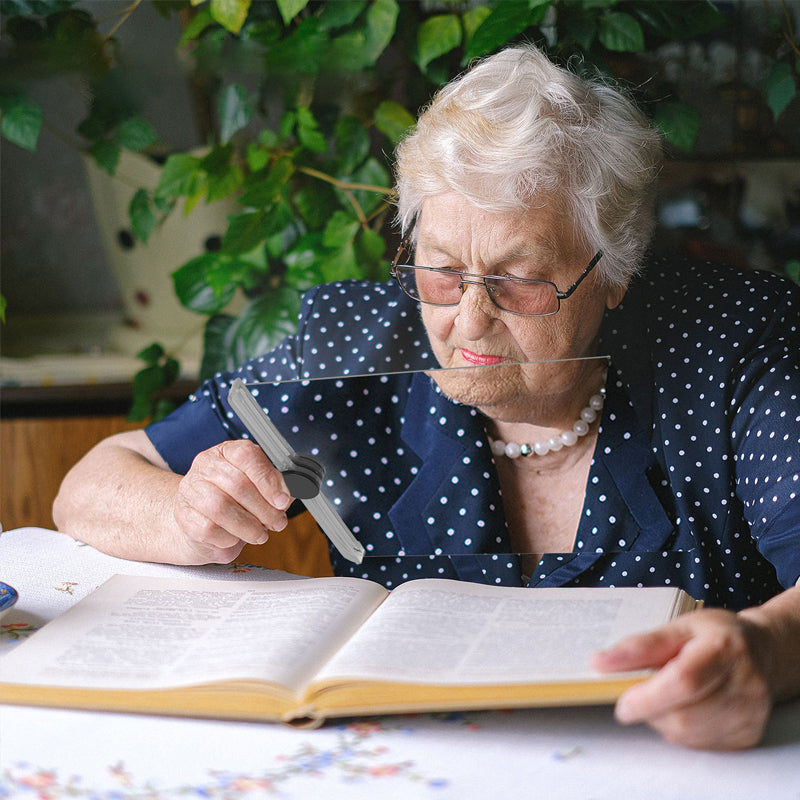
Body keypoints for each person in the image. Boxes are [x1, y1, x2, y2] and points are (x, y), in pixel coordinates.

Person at [53, 44, 800, 751]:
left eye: (520, 280)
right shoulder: (360, 345)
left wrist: (766, 648)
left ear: (612, 272)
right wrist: (183, 516)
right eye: (441, 269)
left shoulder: (730, 344)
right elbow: (94, 480)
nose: (469, 319)